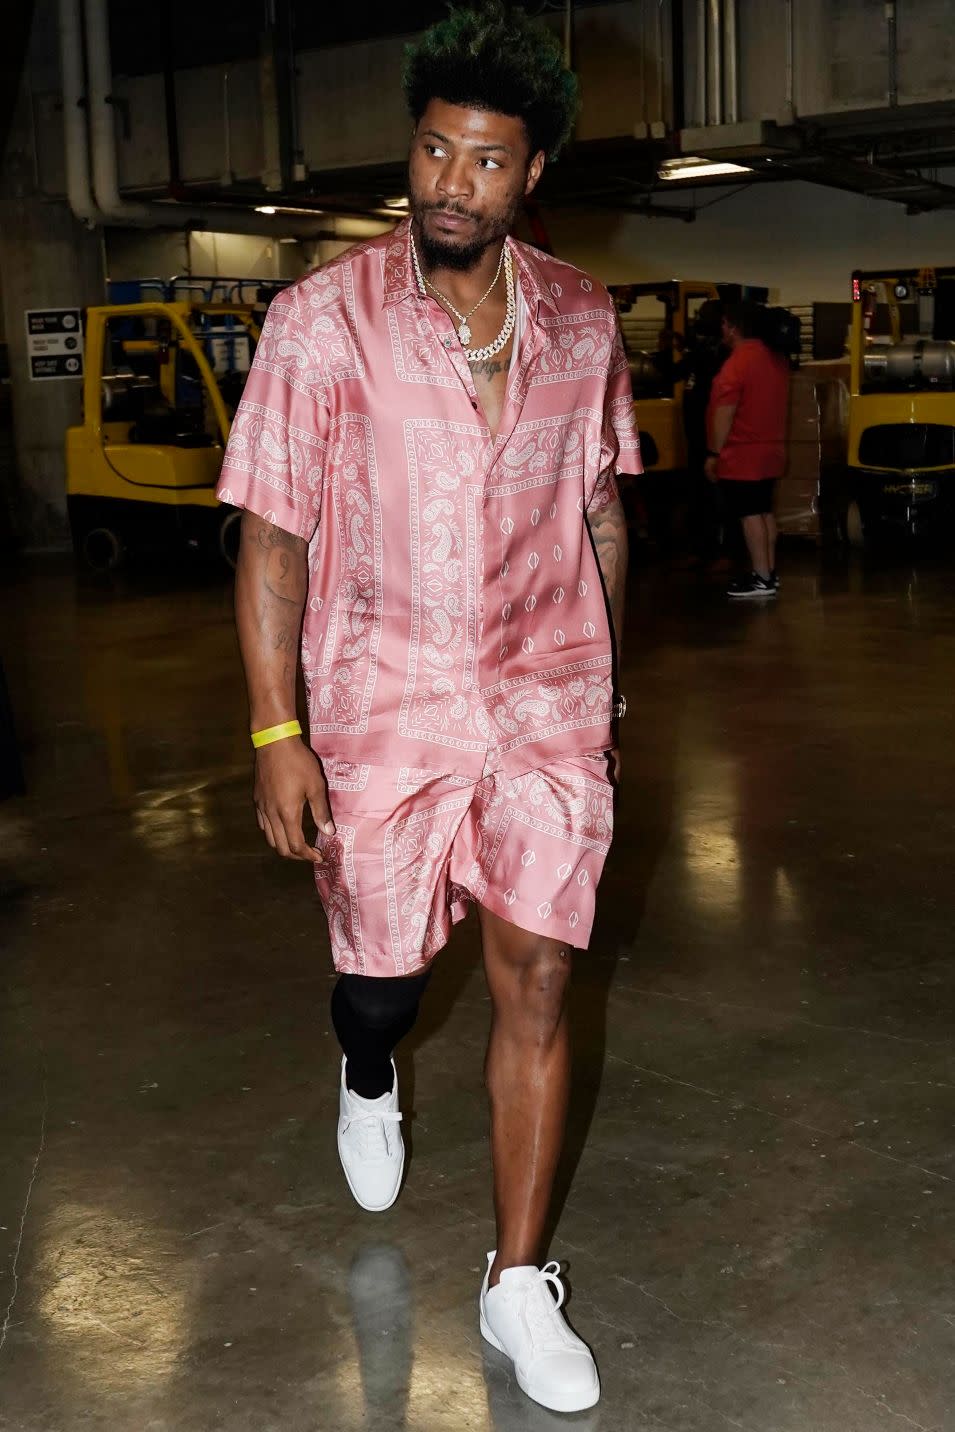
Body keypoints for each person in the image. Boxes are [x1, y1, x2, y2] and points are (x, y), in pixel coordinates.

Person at [216, 3, 639, 1414]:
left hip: (544, 709)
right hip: (381, 705)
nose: (449, 182)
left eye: (484, 161)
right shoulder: (317, 322)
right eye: (431, 151)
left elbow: (598, 516)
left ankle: (516, 1285)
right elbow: (272, 539)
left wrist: (603, 694)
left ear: (533, 176)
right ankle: (364, 1062)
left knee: (535, 975)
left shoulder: (581, 318)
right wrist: (278, 735)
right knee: (386, 980)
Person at [704, 300, 790, 598]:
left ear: (735, 328)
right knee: (764, 513)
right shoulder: (775, 358)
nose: (722, 329)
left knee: (750, 515)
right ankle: (768, 572)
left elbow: (725, 413)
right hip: (771, 452)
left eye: (726, 324)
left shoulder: (738, 363)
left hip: (744, 455)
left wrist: (714, 454)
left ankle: (762, 578)